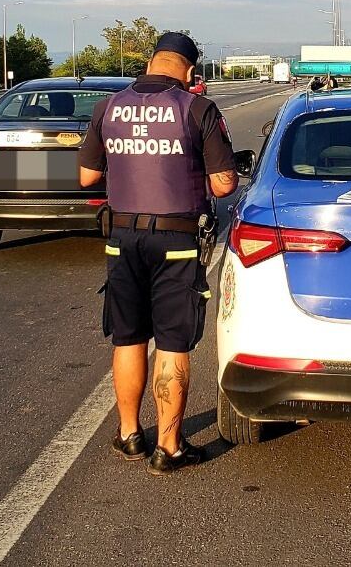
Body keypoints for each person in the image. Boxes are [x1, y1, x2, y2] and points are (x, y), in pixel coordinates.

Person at [78, 32, 239, 476]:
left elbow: (88, 177)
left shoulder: (108, 107)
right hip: (175, 241)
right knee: (171, 341)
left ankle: (129, 433)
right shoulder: (196, 108)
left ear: (150, 63)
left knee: (128, 336)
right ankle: (168, 446)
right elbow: (224, 185)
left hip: (121, 237)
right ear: (189, 70)